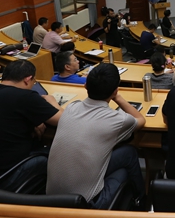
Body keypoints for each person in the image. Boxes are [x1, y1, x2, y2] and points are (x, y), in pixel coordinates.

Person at [47, 63, 146, 208]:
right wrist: (117, 98)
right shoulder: (118, 120)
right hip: (85, 204)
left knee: (124, 152)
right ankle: (141, 202)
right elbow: (141, 120)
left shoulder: (72, 107)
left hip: (50, 199)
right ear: (115, 91)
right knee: (128, 158)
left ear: (85, 86)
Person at [0, 60, 63, 190]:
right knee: (54, 153)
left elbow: (2, 114)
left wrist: (31, 120)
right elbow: (65, 120)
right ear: (28, 79)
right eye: (33, 82)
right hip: (2, 178)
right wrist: (53, 102)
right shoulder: (27, 96)